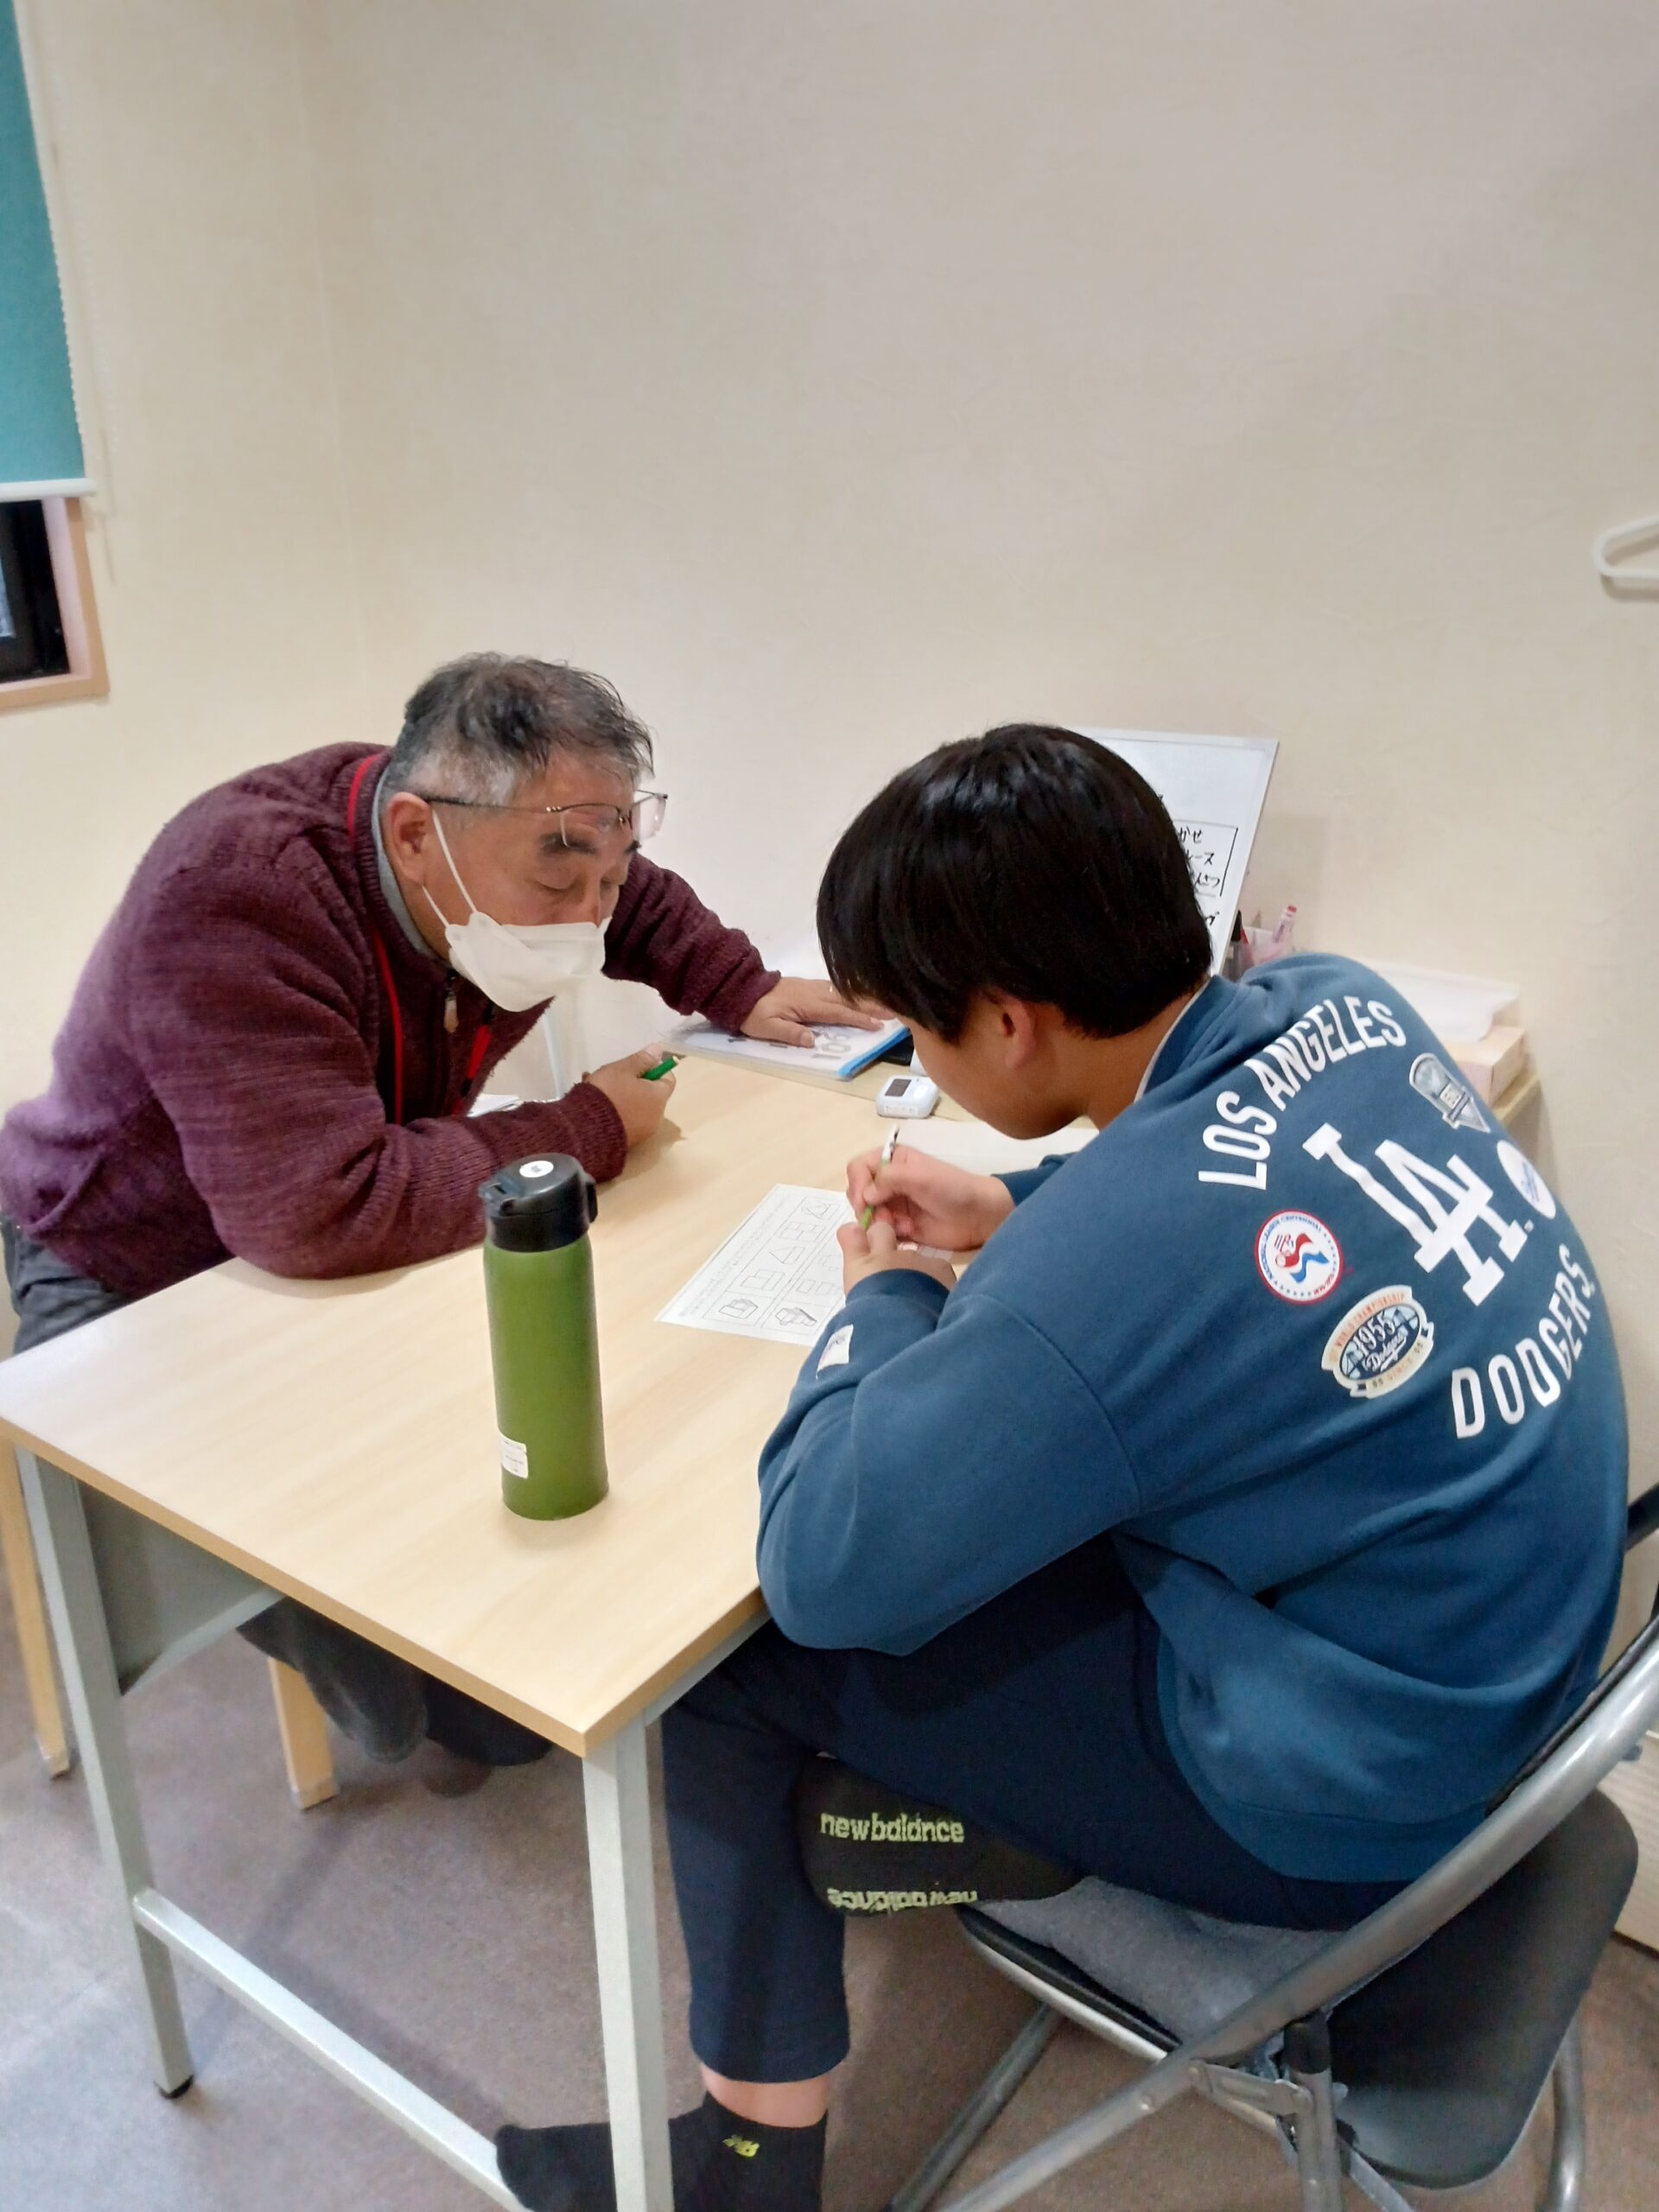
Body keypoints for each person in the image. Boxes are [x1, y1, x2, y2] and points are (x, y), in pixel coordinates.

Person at [496, 726, 1627, 2211]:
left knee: (735, 1656)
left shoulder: (1115, 1265)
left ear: (1011, 1024)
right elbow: (1224, 1204)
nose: (918, 1063)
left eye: (920, 1032)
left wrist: (883, 1298)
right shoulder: (1337, 1004)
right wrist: (1024, 1204)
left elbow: (823, 1561)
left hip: (1356, 1803)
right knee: (1010, 1517)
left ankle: (749, 2164)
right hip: (1519, 1678)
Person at [0, 653, 870, 1767]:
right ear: (414, 838)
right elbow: (320, 1211)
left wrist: (738, 985)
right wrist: (586, 1126)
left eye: (608, 878)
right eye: (559, 889)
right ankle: (446, 1704)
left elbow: (623, 889)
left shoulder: (495, 839)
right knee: (414, 1632)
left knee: (520, 1421)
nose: (589, 918)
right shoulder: (234, 895)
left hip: (327, 1195)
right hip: (131, 1263)